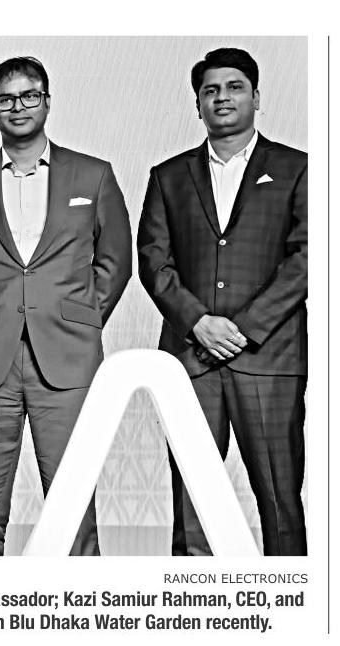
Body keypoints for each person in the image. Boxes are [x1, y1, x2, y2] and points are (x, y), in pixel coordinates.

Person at [0, 56, 132, 556]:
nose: (17, 107)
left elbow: (115, 263)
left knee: (72, 505)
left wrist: (80, 319)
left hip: (68, 358)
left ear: (47, 102)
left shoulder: (93, 175)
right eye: (5, 99)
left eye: (29, 96)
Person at [137, 48, 307, 556]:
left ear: (256, 97)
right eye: (210, 90)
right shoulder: (169, 175)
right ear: (197, 105)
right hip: (191, 358)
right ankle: (194, 598)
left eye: (234, 87)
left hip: (269, 358)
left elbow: (309, 256)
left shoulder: (298, 168)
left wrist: (244, 328)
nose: (222, 98)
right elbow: (153, 260)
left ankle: (290, 597)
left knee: (279, 499)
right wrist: (198, 323)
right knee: (192, 500)